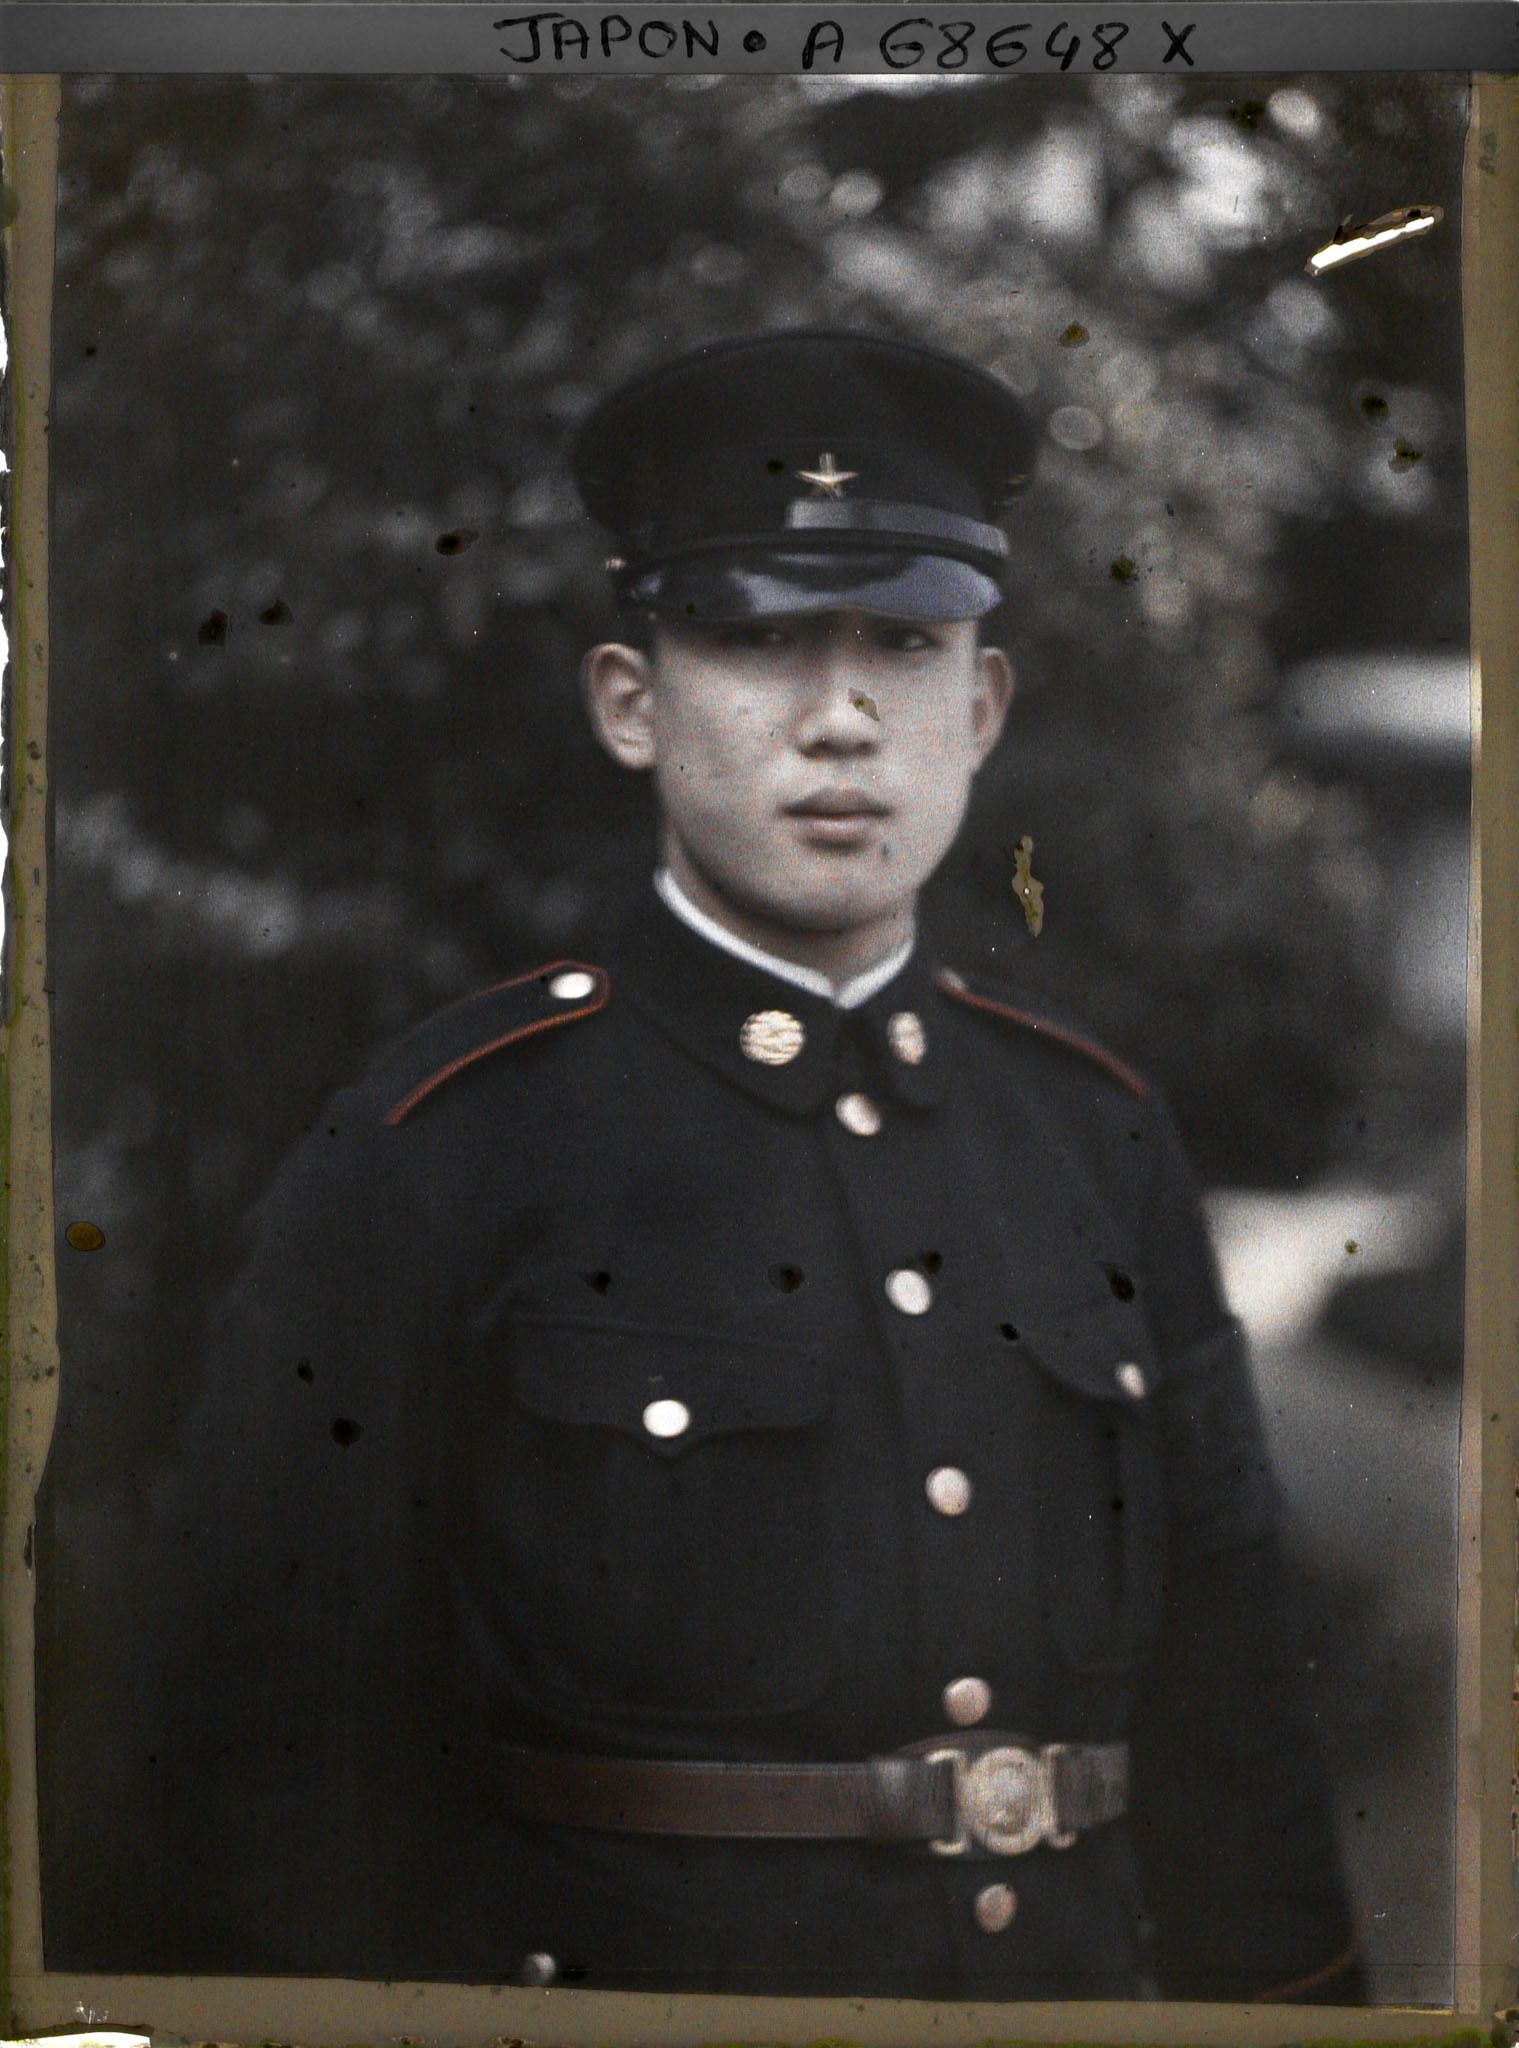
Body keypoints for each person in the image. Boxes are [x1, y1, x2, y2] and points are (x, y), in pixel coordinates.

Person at [150, 329, 1363, 2001]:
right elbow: (263, 1780)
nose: (844, 718)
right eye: (761, 640)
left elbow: (1241, 1737)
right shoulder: (446, 1146)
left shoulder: (1095, 1138)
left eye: (908, 645)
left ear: (983, 703)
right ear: (633, 703)